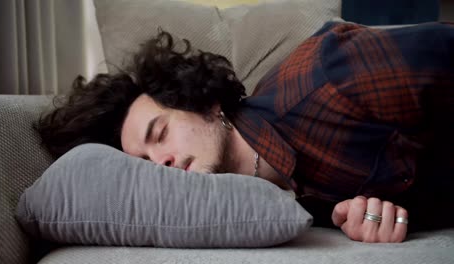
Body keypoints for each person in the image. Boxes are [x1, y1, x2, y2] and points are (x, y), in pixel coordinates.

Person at [35, 21, 454, 243]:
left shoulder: (329, 77)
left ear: (207, 104)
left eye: (160, 133)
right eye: (144, 163)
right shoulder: (271, 208)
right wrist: (381, 220)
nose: (160, 162)